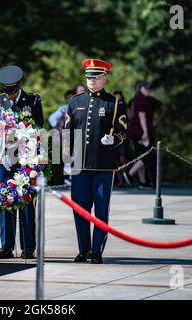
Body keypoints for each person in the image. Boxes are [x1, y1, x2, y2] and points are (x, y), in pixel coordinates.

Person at [65, 58, 127, 264]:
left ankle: (96, 250)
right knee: (80, 210)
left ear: (104, 78)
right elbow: (67, 132)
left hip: (103, 166)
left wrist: (114, 140)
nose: (91, 80)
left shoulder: (114, 103)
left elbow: (123, 132)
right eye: (88, 76)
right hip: (79, 166)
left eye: (95, 77)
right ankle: (83, 250)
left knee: (101, 210)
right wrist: (66, 157)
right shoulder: (75, 102)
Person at [0, 65, 43, 259]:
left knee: (26, 202)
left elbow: (39, 129)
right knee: (5, 200)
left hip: (24, 160)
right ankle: (7, 245)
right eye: (7, 91)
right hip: (4, 159)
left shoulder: (33, 101)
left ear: (20, 85)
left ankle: (28, 246)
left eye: (13, 90)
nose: (10, 95)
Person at [123, 81, 167, 188]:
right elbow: (141, 115)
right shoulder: (142, 99)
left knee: (141, 155)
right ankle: (129, 174)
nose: (148, 90)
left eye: (149, 88)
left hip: (134, 132)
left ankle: (142, 182)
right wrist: (145, 132)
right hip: (141, 132)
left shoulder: (136, 99)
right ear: (139, 89)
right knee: (148, 155)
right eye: (145, 88)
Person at [48, 89, 75, 186]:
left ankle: (70, 178)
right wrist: (58, 128)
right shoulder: (63, 108)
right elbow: (51, 118)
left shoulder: (77, 107)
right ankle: (67, 178)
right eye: (68, 97)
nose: (70, 99)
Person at [113, 90, 128, 187]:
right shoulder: (110, 107)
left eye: (120, 98)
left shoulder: (126, 109)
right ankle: (120, 181)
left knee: (122, 157)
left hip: (122, 135)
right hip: (113, 136)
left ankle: (126, 176)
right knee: (115, 160)